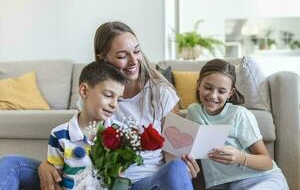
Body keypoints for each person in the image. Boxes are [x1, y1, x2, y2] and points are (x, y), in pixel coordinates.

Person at [0, 21, 199, 190]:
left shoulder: (161, 94)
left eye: (136, 51)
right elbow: (78, 135)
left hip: (142, 183)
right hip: (93, 181)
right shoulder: (96, 92)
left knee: (177, 169)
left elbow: (174, 156)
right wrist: (49, 163)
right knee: (11, 164)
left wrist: (183, 167)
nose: (133, 61)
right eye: (122, 56)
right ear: (101, 58)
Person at [186, 59, 289, 190]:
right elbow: (187, 148)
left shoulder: (239, 115)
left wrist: (240, 157)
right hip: (220, 184)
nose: (213, 95)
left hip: (260, 179)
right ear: (199, 85)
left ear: (230, 93)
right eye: (208, 87)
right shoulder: (193, 112)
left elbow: (267, 162)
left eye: (221, 91)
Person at [47, 60, 127, 189]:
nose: (114, 105)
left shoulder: (120, 132)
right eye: (108, 95)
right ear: (84, 91)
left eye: (119, 99)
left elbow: (120, 178)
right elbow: (55, 181)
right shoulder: (59, 135)